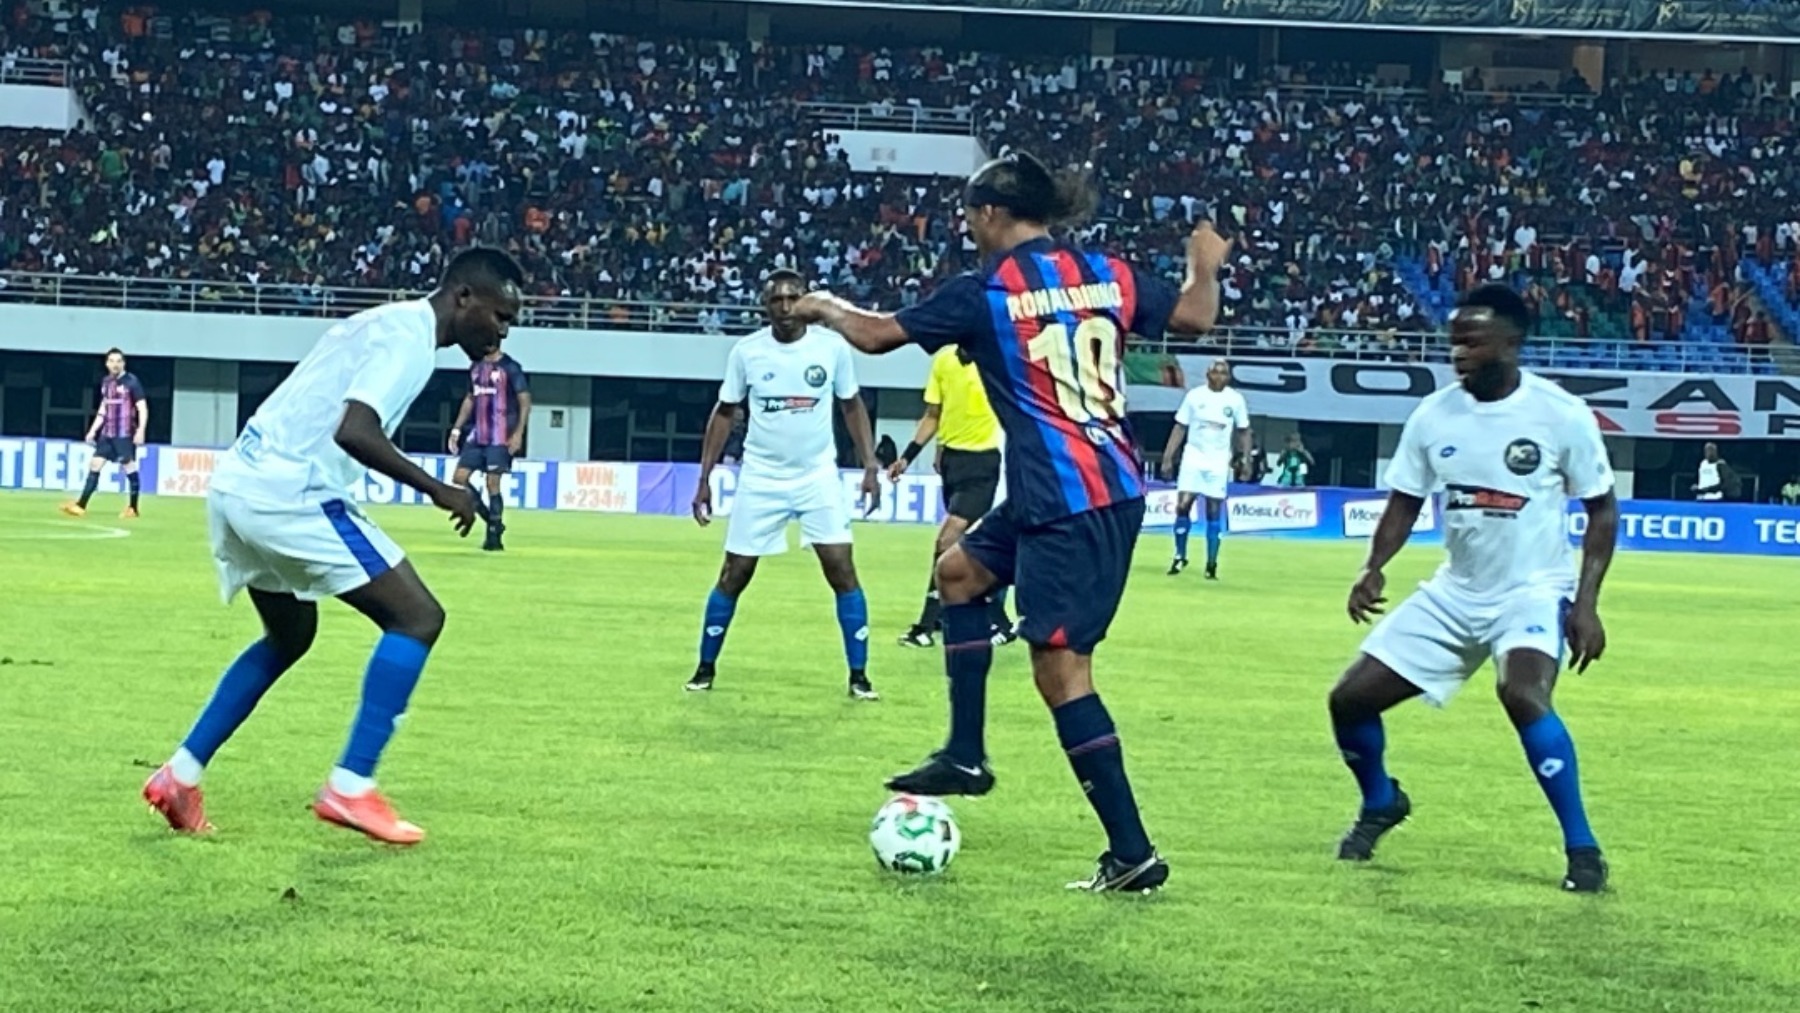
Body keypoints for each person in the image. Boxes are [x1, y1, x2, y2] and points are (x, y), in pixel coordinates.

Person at [792, 151, 1232, 892]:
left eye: (970, 217)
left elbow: (874, 335)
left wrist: (824, 305)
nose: (968, 230)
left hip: (1074, 503)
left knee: (1062, 672)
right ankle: (965, 753)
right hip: (1072, 488)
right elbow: (1195, 315)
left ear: (992, 212)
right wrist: (1203, 264)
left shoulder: (986, 291)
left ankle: (1132, 853)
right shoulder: (1108, 274)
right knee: (958, 572)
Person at [140, 248, 522, 846]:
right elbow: (355, 431)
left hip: (238, 482)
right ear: (464, 298)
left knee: (290, 635)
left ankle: (179, 776)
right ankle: (351, 785)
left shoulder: (382, 321)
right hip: (289, 492)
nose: (503, 330)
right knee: (418, 617)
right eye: (501, 315)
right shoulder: (407, 339)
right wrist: (440, 490)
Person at [1327, 284, 1618, 893]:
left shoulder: (1560, 413)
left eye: (1472, 341)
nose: (1458, 352)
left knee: (1523, 694)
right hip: (1455, 592)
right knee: (1348, 701)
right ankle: (1380, 800)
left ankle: (1583, 848)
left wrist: (1586, 603)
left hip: (1532, 589)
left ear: (1511, 344)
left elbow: (1602, 509)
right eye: (1454, 341)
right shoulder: (1434, 415)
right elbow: (1405, 501)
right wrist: (1373, 565)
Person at [688, 269, 884, 701]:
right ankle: (704, 668)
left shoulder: (831, 349)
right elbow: (724, 413)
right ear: (765, 306)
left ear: (806, 302)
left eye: (793, 298)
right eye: (776, 300)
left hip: (817, 476)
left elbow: (852, 406)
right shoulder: (748, 352)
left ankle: (859, 676)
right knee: (734, 573)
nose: (785, 307)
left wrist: (870, 464)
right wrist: (704, 478)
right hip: (761, 477)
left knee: (842, 569)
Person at [892, 346, 1015, 648]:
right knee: (965, 549)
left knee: (946, 540)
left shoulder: (996, 357)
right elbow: (934, 414)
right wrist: (908, 457)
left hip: (984, 461)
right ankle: (998, 621)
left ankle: (924, 625)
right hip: (952, 462)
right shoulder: (944, 361)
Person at [1158, 358, 1249, 580]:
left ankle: (1211, 563)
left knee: (1213, 511)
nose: (1219, 376)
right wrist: (1168, 457)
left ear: (1228, 377)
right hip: (1193, 457)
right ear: (1208, 375)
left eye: (1224, 372)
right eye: (1215, 371)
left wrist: (1246, 460)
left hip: (1218, 461)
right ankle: (1180, 556)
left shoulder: (1235, 400)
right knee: (1183, 505)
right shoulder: (1195, 396)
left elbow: (1244, 431)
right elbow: (1180, 427)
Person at [448, 349, 531, 551]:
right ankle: (492, 521)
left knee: (492, 482)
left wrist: (518, 433)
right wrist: (457, 429)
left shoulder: (510, 367)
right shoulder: (476, 367)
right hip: (478, 434)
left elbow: (525, 400)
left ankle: (493, 538)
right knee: (459, 478)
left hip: (501, 434)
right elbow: (470, 398)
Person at [61, 348, 147, 519]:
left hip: (124, 433)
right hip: (107, 433)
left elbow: (142, 407)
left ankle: (133, 508)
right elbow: (104, 408)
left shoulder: (132, 382)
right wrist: (93, 430)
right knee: (95, 464)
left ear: (123, 363)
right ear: (107, 363)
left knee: (128, 467)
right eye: (111, 361)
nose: (115, 364)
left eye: (118, 361)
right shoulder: (106, 382)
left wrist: (141, 430)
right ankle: (81, 505)